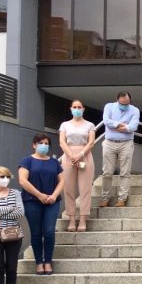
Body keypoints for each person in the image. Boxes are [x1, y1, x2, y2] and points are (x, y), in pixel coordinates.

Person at [18, 133, 64, 275]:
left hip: (52, 201)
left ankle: (48, 261)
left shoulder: (55, 163)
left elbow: (62, 180)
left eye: (46, 143)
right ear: (34, 145)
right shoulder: (27, 161)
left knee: (49, 232)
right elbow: (23, 181)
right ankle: (39, 262)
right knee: (36, 233)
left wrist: (54, 195)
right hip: (32, 201)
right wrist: (39, 195)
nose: (44, 146)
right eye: (41, 143)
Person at [58, 99, 96, 233]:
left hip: (84, 155)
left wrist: (80, 154)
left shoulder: (90, 125)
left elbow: (91, 143)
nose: (77, 109)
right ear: (70, 109)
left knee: (85, 189)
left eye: (79, 107)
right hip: (68, 155)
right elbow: (62, 142)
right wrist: (70, 154)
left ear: (83, 109)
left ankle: (83, 219)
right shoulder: (65, 125)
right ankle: (72, 219)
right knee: (68, 188)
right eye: (74, 107)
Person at [0, 166, 25, 284]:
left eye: (7, 176)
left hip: (14, 235)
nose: (5, 179)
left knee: (12, 267)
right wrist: (9, 208)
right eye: (1, 177)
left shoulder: (15, 193)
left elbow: (20, 213)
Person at [101, 91, 140, 208]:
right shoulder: (109, 106)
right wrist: (122, 125)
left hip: (126, 144)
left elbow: (133, 127)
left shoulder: (134, 110)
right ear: (117, 100)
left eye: (127, 103)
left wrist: (115, 126)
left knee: (125, 172)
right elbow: (106, 121)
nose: (124, 106)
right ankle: (105, 198)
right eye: (122, 103)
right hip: (109, 143)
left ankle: (122, 198)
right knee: (107, 172)